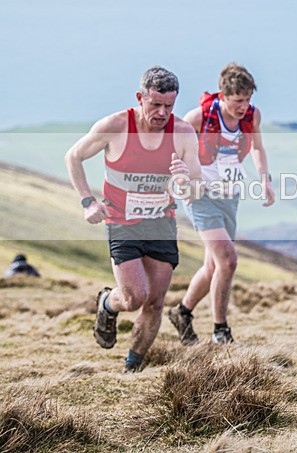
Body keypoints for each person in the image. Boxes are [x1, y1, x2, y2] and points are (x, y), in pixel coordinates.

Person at [64, 66, 201, 372]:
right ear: (140, 98)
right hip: (121, 221)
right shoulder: (116, 126)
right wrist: (88, 201)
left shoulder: (182, 133)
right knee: (134, 298)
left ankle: (132, 367)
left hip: (161, 223)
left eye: (169, 106)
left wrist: (184, 181)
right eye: (155, 105)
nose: (162, 113)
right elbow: (73, 156)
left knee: (155, 302)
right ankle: (107, 304)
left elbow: (195, 184)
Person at [167, 63, 275, 345]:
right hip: (200, 196)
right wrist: (184, 181)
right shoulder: (200, 117)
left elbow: (257, 147)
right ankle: (220, 329)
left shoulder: (252, 116)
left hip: (230, 195)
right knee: (228, 260)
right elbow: (172, 147)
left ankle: (182, 312)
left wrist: (265, 179)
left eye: (248, 99)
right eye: (238, 100)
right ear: (223, 96)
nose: (244, 106)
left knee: (214, 267)